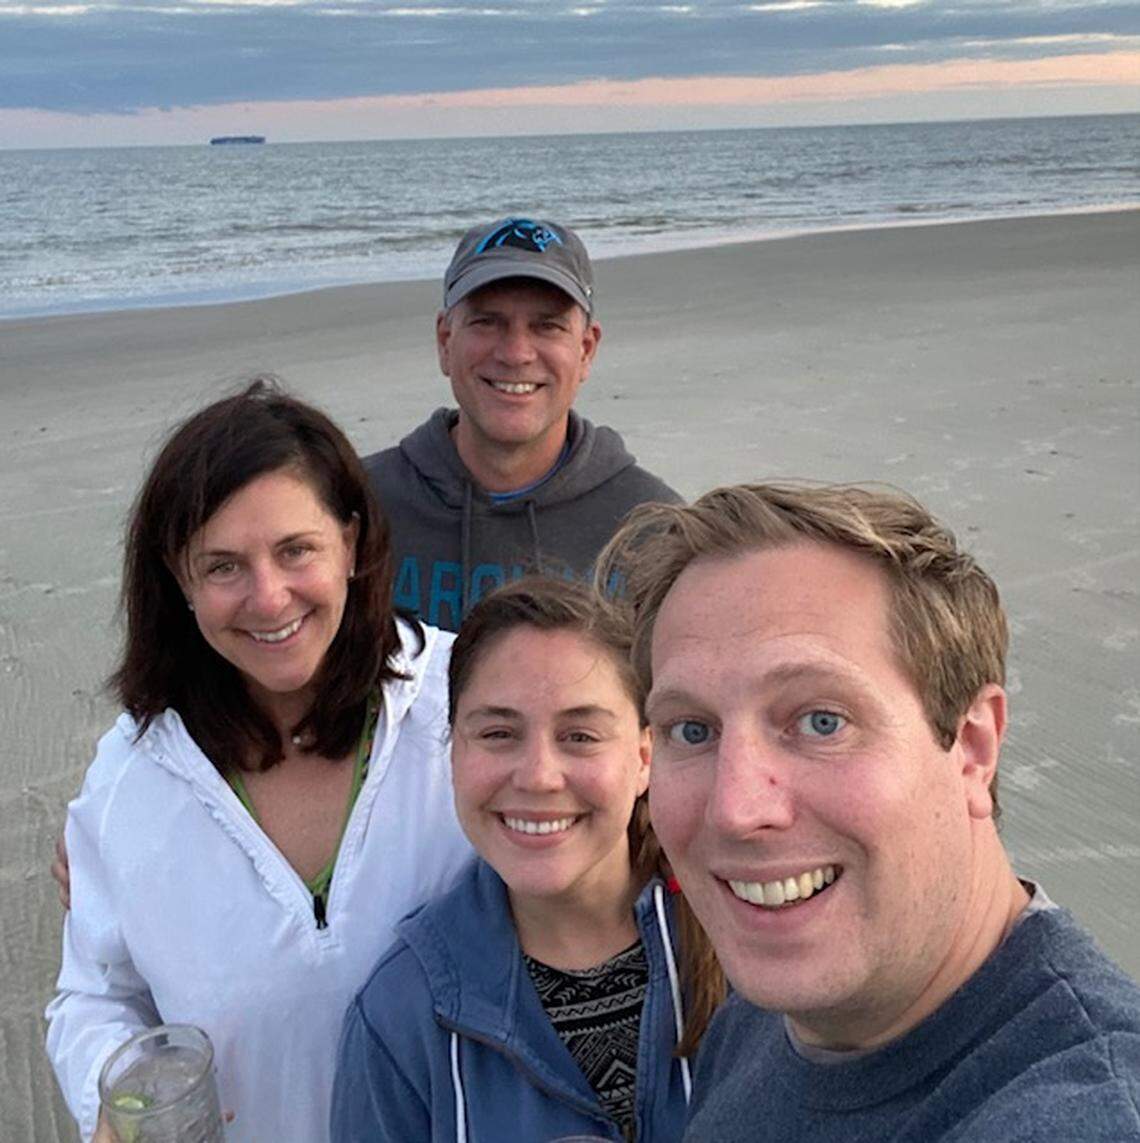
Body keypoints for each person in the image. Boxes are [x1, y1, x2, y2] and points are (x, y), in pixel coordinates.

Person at [597, 483, 1140, 1142]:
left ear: (973, 745)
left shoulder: (1080, 1112)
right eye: (691, 729)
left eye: (822, 720)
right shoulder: (774, 1007)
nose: (737, 808)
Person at [44, 382, 473, 1143]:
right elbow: (95, 994)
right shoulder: (132, 780)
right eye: (222, 566)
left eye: (295, 549)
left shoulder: (464, 708)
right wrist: (112, 1098)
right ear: (178, 580)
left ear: (350, 542)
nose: (269, 598)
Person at [330, 578, 725, 1141]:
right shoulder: (399, 1018)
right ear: (453, 751)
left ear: (644, 757)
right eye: (498, 733)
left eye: (581, 736)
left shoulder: (743, 947)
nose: (538, 776)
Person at [363, 216, 680, 632]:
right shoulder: (360, 504)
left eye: (547, 325)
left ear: (585, 350)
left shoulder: (654, 531)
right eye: (486, 322)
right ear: (445, 342)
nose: (515, 353)